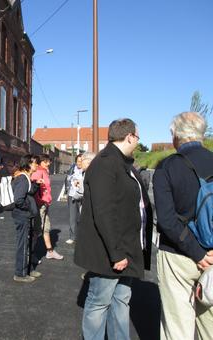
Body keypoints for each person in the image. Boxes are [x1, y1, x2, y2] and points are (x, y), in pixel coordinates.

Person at [74, 118, 153, 340]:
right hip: (110, 252)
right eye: (137, 137)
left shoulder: (122, 163)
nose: (138, 141)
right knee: (99, 302)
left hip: (126, 248)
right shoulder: (105, 164)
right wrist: (116, 253)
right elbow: (104, 211)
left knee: (121, 300)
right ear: (129, 137)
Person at [153, 112, 213, 340]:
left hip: (176, 255)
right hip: (212, 254)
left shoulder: (167, 166)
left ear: (175, 136)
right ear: (202, 134)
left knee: (177, 327)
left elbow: (167, 219)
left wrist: (196, 253)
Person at [11, 154, 40, 283]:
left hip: (25, 214)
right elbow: (19, 199)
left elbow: (28, 192)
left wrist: (37, 185)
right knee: (23, 244)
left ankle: (27, 270)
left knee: (26, 244)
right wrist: (28, 208)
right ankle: (20, 274)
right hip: (22, 215)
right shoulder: (22, 178)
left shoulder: (26, 177)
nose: (37, 165)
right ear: (28, 164)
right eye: (35, 163)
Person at [31, 154, 64, 260]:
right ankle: (29, 254)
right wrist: (40, 201)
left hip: (44, 204)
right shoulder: (38, 172)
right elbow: (33, 187)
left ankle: (50, 251)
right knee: (37, 230)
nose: (48, 163)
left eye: (49, 161)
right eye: (46, 162)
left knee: (46, 228)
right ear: (40, 162)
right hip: (40, 205)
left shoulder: (44, 172)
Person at [66, 152, 96, 245]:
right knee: (72, 217)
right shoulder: (72, 169)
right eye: (78, 161)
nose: (79, 163)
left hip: (83, 196)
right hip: (72, 195)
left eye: (81, 161)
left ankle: (83, 236)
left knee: (83, 216)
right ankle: (72, 236)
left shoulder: (86, 170)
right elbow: (67, 180)